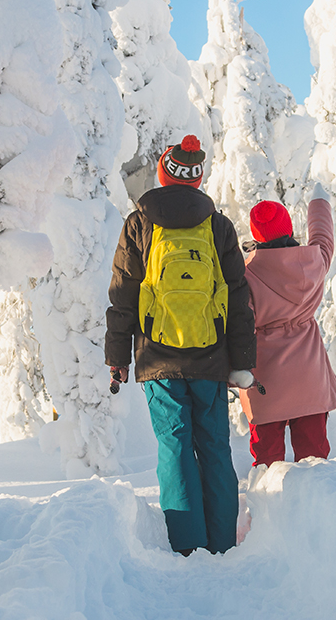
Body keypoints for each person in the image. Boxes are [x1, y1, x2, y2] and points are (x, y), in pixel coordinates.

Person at [104, 135, 257, 556]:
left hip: (158, 358)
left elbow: (123, 296)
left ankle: (187, 545)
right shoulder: (218, 226)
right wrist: (242, 361)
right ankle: (222, 543)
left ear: (164, 175)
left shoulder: (139, 224)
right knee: (213, 447)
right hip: (210, 358)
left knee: (174, 448)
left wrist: (116, 357)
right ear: (197, 179)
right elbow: (239, 298)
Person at [238, 183, 336, 467]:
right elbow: (323, 235)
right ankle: (318, 509)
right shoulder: (314, 261)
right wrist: (319, 201)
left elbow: (239, 323)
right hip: (310, 379)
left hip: (265, 382)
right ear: (287, 228)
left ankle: (271, 509)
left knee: (268, 463)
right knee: (315, 462)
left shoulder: (244, 276)